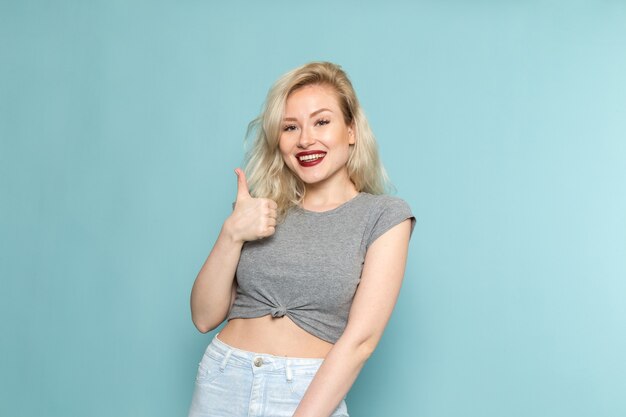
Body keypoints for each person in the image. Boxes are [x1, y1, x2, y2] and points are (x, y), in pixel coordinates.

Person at [188, 61, 415, 417]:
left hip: (308, 393)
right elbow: (203, 317)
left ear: (351, 130)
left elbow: (361, 342)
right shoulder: (259, 210)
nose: (305, 139)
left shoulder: (383, 216)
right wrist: (231, 233)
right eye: (290, 127)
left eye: (322, 122)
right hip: (223, 378)